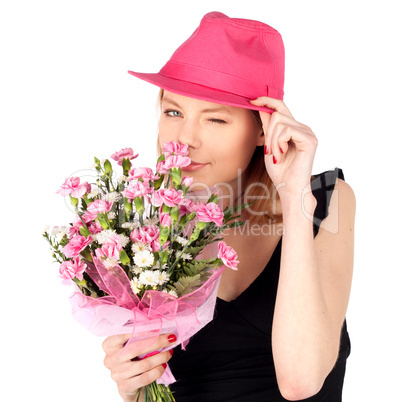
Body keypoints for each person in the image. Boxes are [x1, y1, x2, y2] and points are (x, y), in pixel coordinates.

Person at [102, 11, 355, 401]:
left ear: (263, 129)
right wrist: (133, 384)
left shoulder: (324, 201)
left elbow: (300, 380)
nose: (184, 139)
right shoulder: (150, 230)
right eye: (173, 112)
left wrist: (293, 196)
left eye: (215, 120)